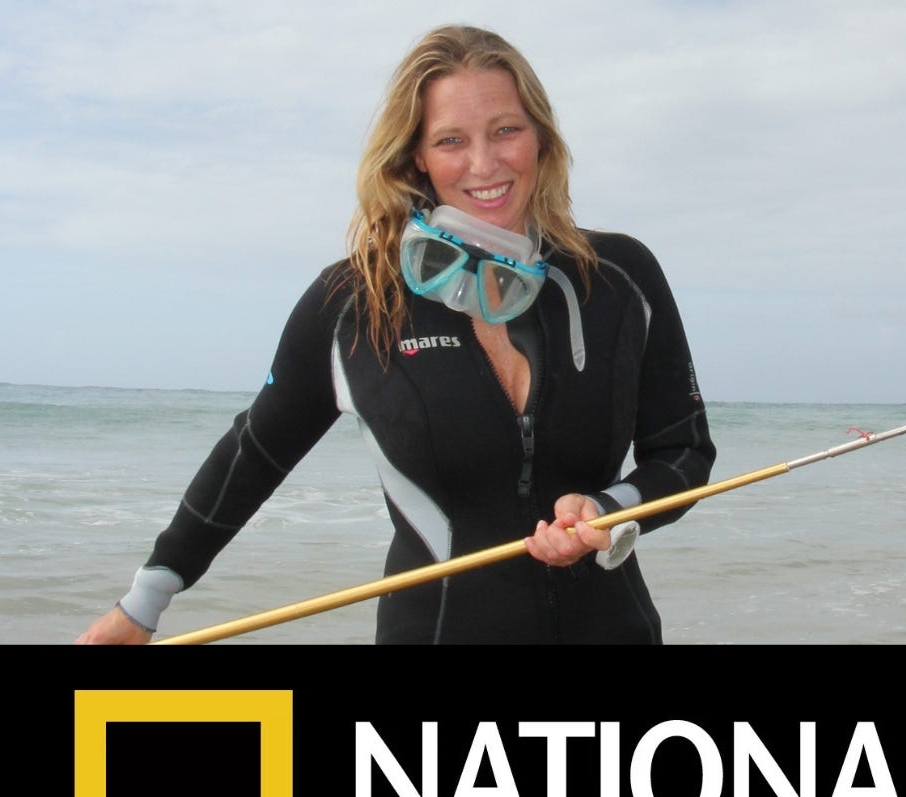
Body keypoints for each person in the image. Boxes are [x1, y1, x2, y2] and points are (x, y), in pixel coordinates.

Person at [76, 23, 716, 645]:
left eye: (506, 131)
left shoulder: (621, 277)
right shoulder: (351, 304)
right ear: (415, 153)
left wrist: (611, 509)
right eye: (451, 140)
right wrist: (144, 604)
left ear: (540, 138)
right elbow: (254, 454)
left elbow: (683, 453)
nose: (484, 163)